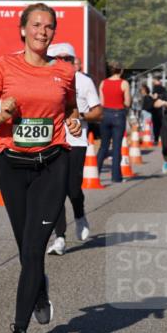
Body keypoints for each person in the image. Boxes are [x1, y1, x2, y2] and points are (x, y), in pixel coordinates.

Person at [0, 3, 82, 333]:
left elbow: (69, 108)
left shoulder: (64, 71)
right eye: (36, 25)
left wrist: (75, 120)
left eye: (49, 26)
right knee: (26, 250)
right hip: (14, 167)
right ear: (22, 30)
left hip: (53, 164)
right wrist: (3, 114)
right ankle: (39, 290)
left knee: (35, 250)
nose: (42, 31)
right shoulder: (4, 67)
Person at [46, 42, 102, 257]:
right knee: (55, 192)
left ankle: (79, 215)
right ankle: (59, 238)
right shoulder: (45, 81)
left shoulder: (84, 81)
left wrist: (81, 116)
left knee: (72, 189)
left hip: (76, 141)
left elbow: (98, 113)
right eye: (56, 59)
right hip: (51, 142)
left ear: (73, 62)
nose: (61, 63)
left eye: (66, 59)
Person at [97, 63, 131, 184]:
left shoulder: (103, 83)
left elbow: (101, 102)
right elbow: (127, 102)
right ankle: (116, 176)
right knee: (117, 147)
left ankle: (95, 172)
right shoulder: (124, 83)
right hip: (118, 114)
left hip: (105, 114)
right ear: (121, 71)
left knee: (103, 146)